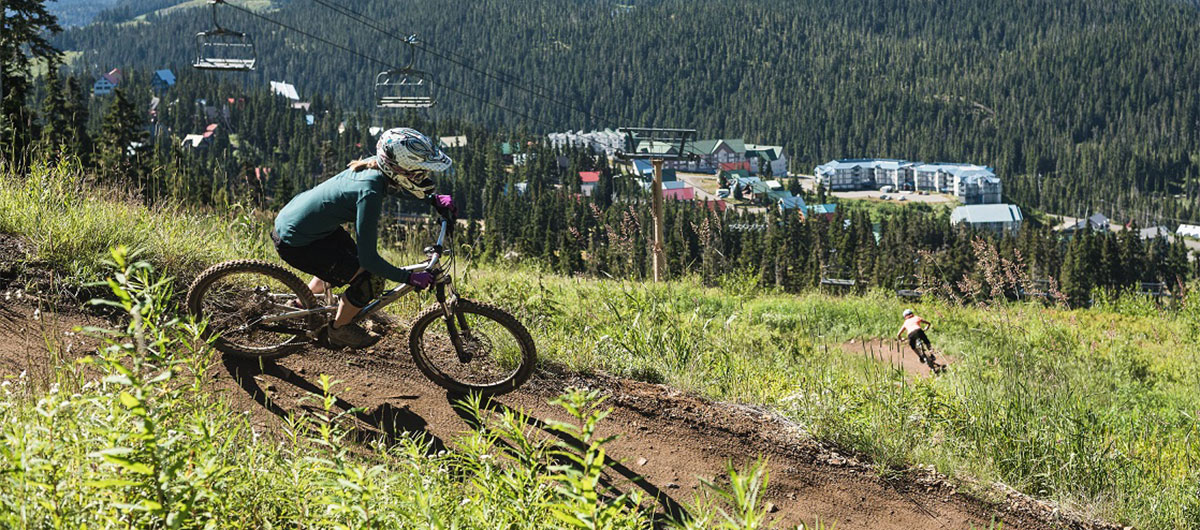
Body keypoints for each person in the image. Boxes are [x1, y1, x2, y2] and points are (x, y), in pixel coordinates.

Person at [272, 127, 457, 348]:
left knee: (348, 262)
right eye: (419, 173)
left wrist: (431, 199)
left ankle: (302, 303)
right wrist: (407, 278)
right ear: (400, 169)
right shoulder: (369, 194)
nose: (424, 177)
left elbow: (396, 186)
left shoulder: (376, 165)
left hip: (302, 223)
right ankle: (338, 330)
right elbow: (370, 260)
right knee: (371, 279)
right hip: (297, 241)